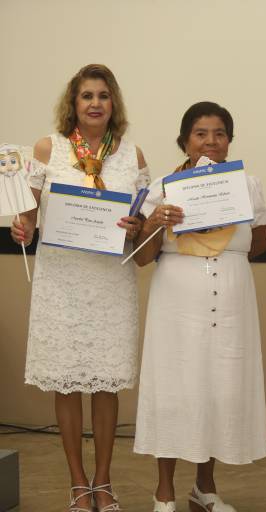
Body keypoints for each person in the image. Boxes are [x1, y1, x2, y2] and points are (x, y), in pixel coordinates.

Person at [10, 63, 147, 512]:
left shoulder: (133, 155)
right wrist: (21, 227)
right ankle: (77, 482)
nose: (94, 104)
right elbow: (28, 214)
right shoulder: (49, 149)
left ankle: (104, 482)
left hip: (111, 281)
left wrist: (135, 226)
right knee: (66, 383)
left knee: (106, 385)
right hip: (61, 279)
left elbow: (143, 222)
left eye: (103, 96)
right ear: (74, 103)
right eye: (86, 96)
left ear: (114, 104)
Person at [132, 101, 266, 512]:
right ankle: (164, 492)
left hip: (231, 298)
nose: (211, 142)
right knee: (174, 389)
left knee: (218, 390)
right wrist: (156, 221)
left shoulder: (247, 184)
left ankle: (205, 489)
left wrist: (239, 214)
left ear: (230, 141)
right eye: (201, 133)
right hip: (177, 301)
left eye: (220, 134)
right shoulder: (162, 187)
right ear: (184, 141)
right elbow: (143, 257)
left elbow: (261, 244)